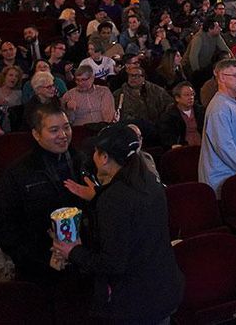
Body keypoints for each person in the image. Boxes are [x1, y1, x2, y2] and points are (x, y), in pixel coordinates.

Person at [51, 123, 184, 324]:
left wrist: (73, 251)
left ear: (105, 158)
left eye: (96, 152)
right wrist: (98, 196)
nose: (93, 157)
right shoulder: (149, 179)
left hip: (137, 301)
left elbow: (113, 262)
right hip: (164, 287)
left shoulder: (115, 199)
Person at [0, 103, 86, 282]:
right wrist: (41, 259)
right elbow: (3, 225)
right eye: (54, 130)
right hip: (40, 265)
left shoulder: (82, 162)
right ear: (36, 134)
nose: (63, 135)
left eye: (66, 127)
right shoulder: (18, 172)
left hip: (83, 258)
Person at [198, 59, 236, 197]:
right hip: (221, 178)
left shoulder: (233, 103)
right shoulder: (220, 108)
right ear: (221, 77)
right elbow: (224, 147)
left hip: (233, 173)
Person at [159, 82, 204, 147]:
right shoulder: (168, 116)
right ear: (177, 98)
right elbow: (166, 136)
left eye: (192, 94)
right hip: (182, 149)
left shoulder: (201, 111)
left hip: (203, 147)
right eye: (186, 95)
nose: (191, 97)